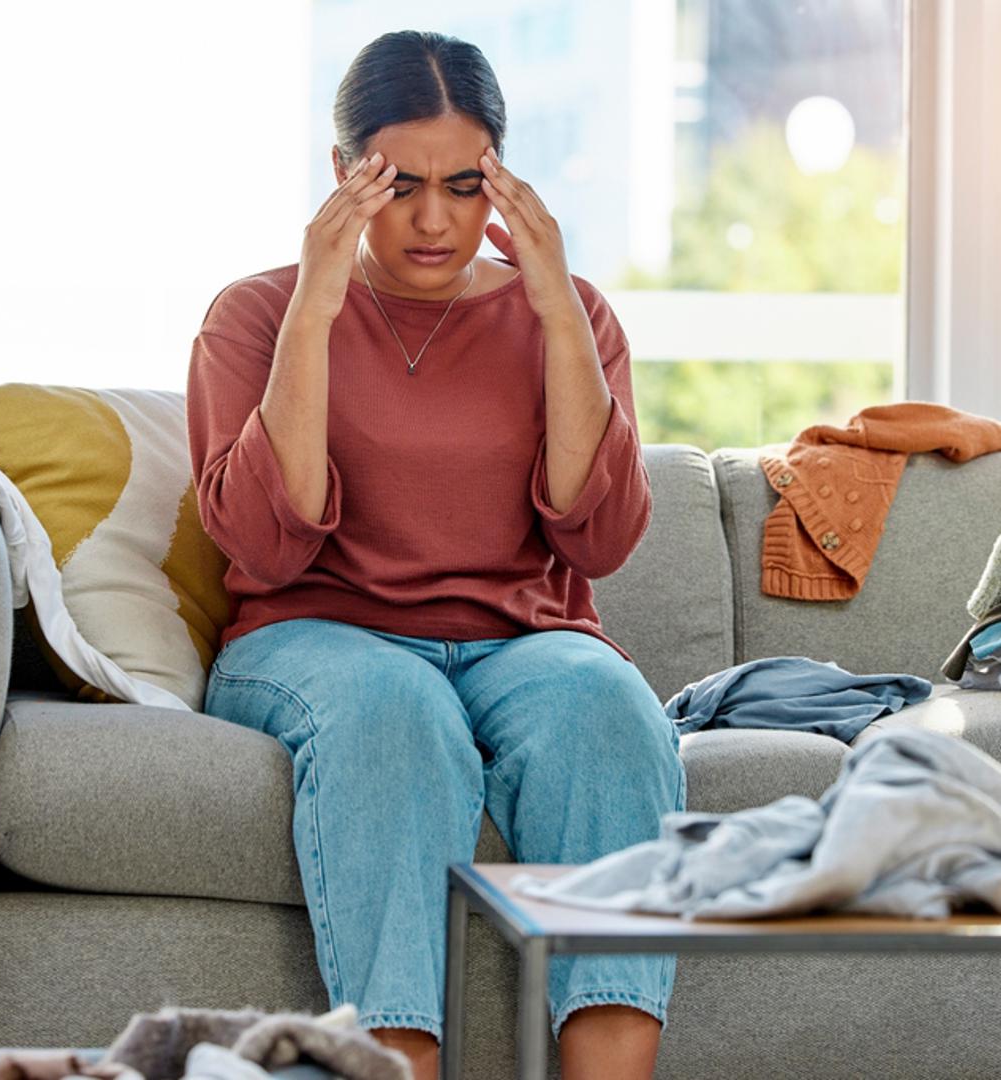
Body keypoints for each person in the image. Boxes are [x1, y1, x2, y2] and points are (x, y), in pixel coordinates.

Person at [184, 28, 685, 1080]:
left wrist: (554, 312)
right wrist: (316, 310)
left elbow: (598, 538)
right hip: (313, 639)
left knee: (606, 705)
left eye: (462, 187)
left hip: (523, 643)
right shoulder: (254, 314)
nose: (430, 219)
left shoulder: (571, 314)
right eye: (399, 184)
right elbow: (266, 547)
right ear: (342, 177)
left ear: (499, 181)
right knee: (394, 712)